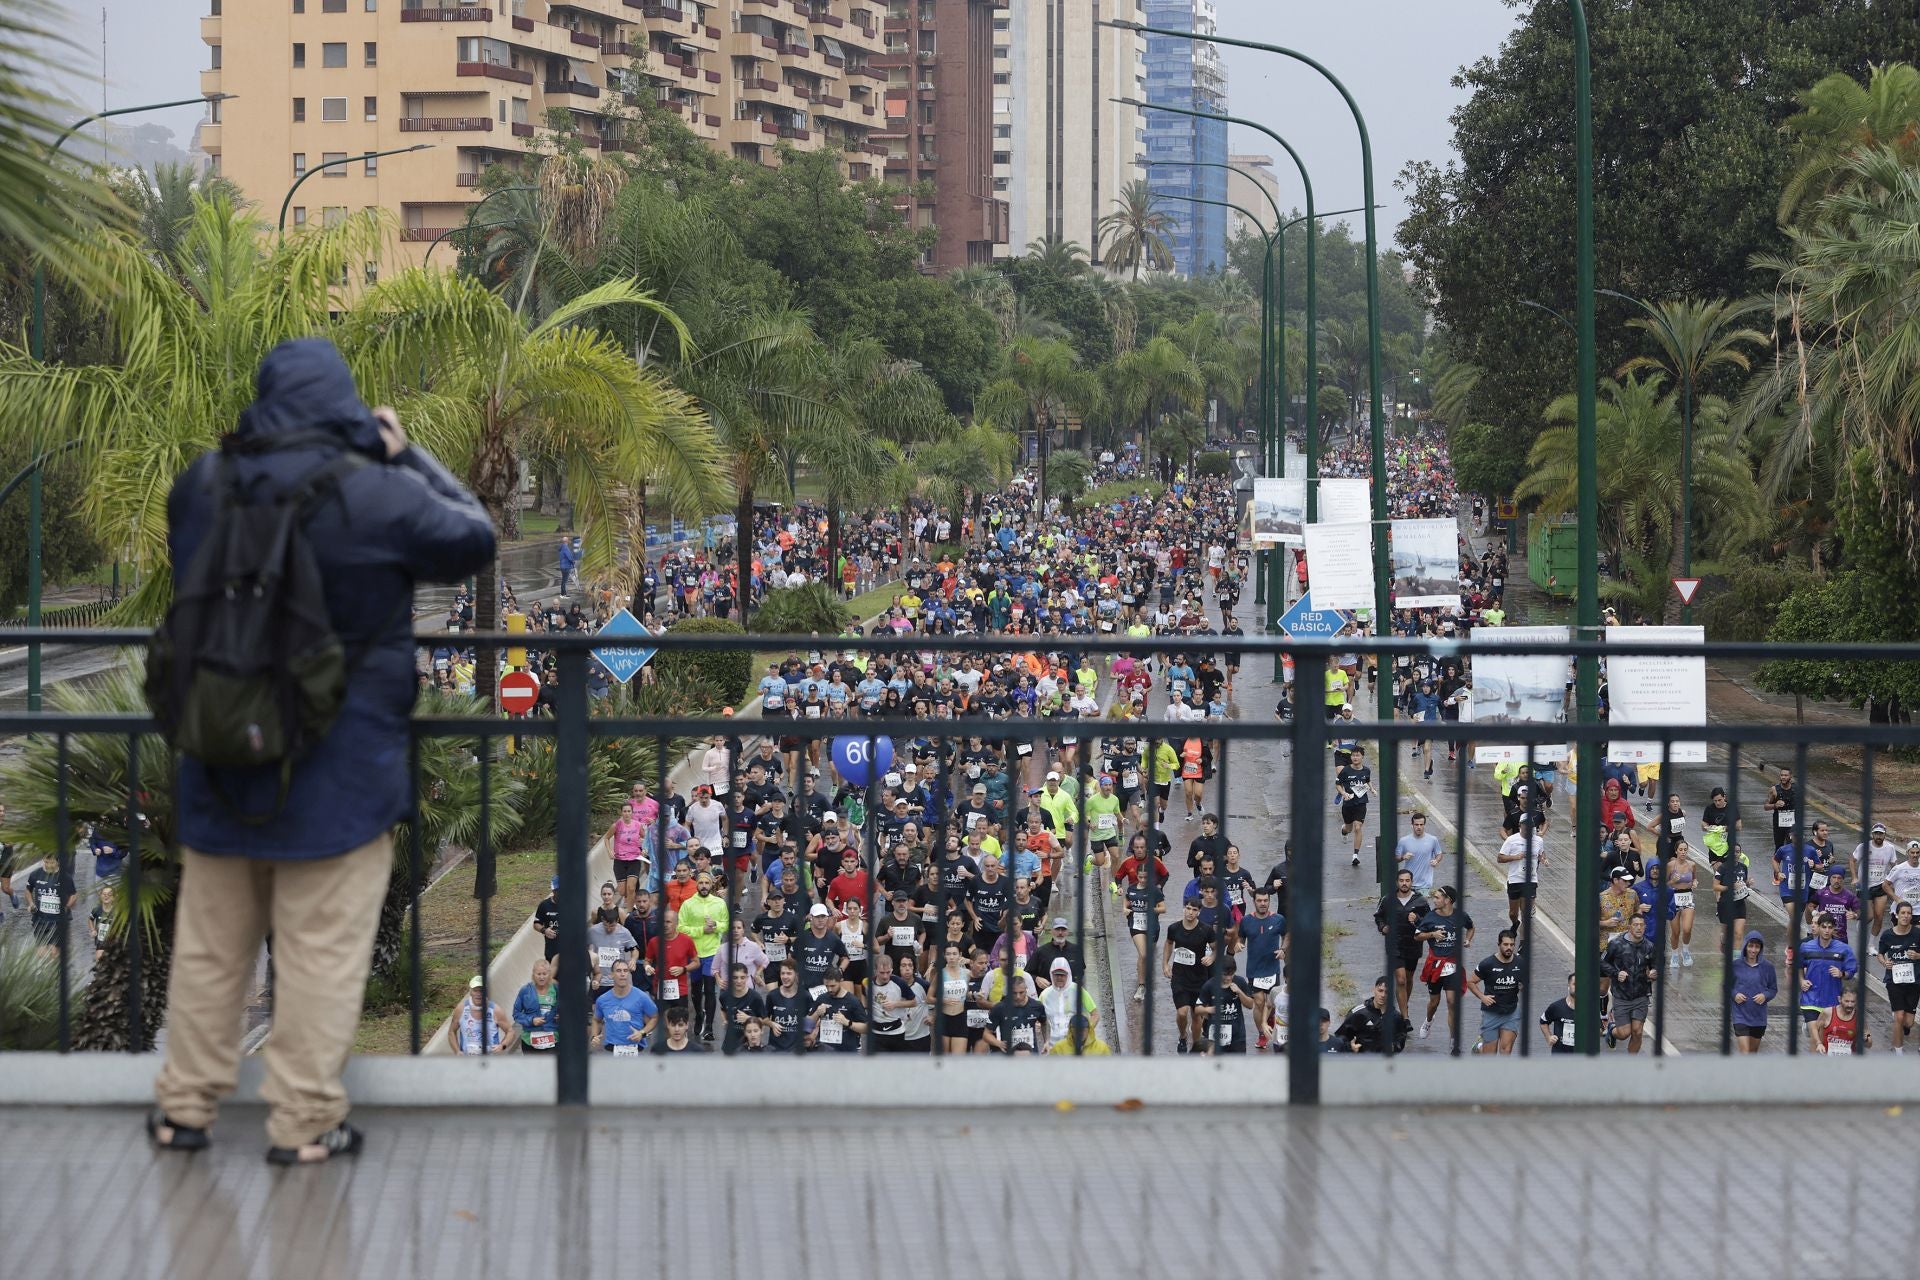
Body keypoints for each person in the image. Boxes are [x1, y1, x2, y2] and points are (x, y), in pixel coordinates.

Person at [146, 343, 495, 1163]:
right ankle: (302, 1124)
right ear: (344, 406)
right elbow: (474, 537)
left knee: (208, 951)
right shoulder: (378, 495)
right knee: (320, 953)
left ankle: (183, 1110)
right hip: (341, 772)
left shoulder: (203, 484)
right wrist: (408, 454)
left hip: (222, 753)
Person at [1413, 885, 1473, 1046]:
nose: (1434, 900)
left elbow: (1471, 927)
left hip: (1452, 963)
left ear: (1448, 900)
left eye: (1438, 897)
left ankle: (1453, 1038)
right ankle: (1428, 1020)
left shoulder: (1460, 916)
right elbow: (1417, 936)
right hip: (1435, 964)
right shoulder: (1430, 917)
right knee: (1434, 1002)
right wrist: (1432, 934)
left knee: (1452, 1002)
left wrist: (1468, 939)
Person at [676, 870, 729, 1042]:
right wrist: (701, 930)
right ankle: (699, 1014)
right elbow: (680, 928)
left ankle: (709, 1028)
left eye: (707, 883)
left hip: (713, 952)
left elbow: (726, 924)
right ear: (696, 885)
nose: (704, 886)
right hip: (694, 955)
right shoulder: (688, 904)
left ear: (712, 884)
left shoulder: (719, 903)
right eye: (701, 883)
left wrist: (716, 926)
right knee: (697, 991)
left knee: (710, 991)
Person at [1796, 911, 1858, 1053]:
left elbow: (1852, 970)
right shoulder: (1806, 947)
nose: (1826, 930)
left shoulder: (1843, 949)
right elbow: (1798, 965)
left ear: (1834, 929)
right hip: (1810, 999)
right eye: (1823, 927)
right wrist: (1801, 980)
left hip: (1832, 1000)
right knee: (1816, 1037)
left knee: (1824, 1038)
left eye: (1830, 927)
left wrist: (1841, 974)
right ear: (1818, 927)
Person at [1372, 869, 1429, 1019]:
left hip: (1413, 945)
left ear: (1412, 882)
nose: (1404, 883)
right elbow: (1379, 917)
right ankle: (1405, 1017)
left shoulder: (1421, 901)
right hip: (1394, 945)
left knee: (1408, 980)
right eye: (1401, 881)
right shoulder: (1388, 899)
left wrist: (1416, 918)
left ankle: (1404, 1004)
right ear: (1397, 882)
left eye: (1407, 880)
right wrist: (1383, 927)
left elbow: (1429, 922)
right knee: (1401, 979)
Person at [1602, 914, 1659, 1053]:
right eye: (1635, 925)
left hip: (1641, 996)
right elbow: (1602, 962)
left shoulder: (1649, 946)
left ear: (1645, 927)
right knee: (1624, 1033)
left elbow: (1655, 966)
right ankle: (1612, 1030)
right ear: (1629, 927)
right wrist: (1616, 973)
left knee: (1637, 1031)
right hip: (1621, 996)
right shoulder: (1616, 944)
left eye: (1641, 925)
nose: (1639, 928)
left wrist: (1654, 973)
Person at [1466, 930, 1524, 1054]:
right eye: (1506, 944)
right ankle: (1480, 1047)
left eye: (1512, 945)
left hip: (1511, 1013)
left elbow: (1524, 982)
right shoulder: (1487, 964)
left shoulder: (1520, 963)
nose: (1509, 948)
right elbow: (1470, 982)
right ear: (1499, 944)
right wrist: (1482, 997)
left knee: (1505, 1051)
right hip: (1491, 1013)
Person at [1876, 901, 1920, 1053]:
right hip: (1894, 981)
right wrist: (1884, 962)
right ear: (1896, 915)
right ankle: (1898, 1051)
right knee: (1899, 1016)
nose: (1906, 916)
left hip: (1914, 981)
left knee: (1908, 1022)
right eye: (1903, 913)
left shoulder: (1917, 933)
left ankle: (1905, 1028)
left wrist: (1918, 956)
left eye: (1909, 913)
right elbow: (1880, 954)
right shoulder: (1888, 935)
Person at [592, 959, 659, 1055]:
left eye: (625, 971)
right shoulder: (602, 1000)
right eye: (618, 971)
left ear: (629, 974)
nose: (622, 974)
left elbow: (655, 1017)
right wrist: (594, 1037)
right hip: (611, 1049)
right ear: (612, 975)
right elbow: (596, 1020)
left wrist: (642, 1033)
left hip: (636, 1048)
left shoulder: (641, 996)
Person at [1335, 976, 1411, 1054]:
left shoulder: (1396, 1017)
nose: (1383, 995)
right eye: (1380, 990)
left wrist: (1394, 1047)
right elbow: (1340, 1037)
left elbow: (1401, 1039)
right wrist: (1350, 1047)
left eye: (1387, 992)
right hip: (1362, 1061)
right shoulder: (1359, 1013)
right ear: (1374, 990)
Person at [1729, 931, 1776, 1054]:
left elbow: (1773, 989)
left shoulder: (1768, 967)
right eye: (1750, 946)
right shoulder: (1735, 965)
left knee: (1752, 1053)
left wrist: (1764, 996)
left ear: (1761, 949)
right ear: (1745, 946)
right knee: (1745, 1052)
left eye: (1757, 947)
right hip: (1740, 1016)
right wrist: (1735, 995)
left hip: (1758, 1018)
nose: (1753, 950)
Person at [23, 849, 75, 953]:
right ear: (43, 860)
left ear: (57, 862)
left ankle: (57, 968)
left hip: (58, 921)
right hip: (40, 920)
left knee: (53, 952)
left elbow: (73, 895)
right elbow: (28, 891)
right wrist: (31, 903)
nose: (49, 865)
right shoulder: (35, 874)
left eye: (52, 862)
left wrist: (66, 907)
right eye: (46, 862)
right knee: (41, 953)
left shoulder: (65, 877)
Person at [450, 976, 513, 1056]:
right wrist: (457, 1051)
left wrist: (502, 1046)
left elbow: (510, 1032)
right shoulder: (461, 1009)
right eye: (475, 990)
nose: (478, 994)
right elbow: (451, 1031)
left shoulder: (495, 1010)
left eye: (481, 991)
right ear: (470, 992)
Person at [1335, 744, 1372, 868]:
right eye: (1353, 755)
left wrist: (1372, 789)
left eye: (1357, 756)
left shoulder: (1366, 770)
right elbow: (1338, 784)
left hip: (1361, 803)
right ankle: (1343, 831)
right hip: (1348, 804)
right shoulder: (1345, 770)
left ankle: (1355, 855)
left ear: (1362, 757)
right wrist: (1343, 793)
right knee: (1349, 828)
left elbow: (1367, 781)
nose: (1355, 758)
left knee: (1358, 827)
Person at [512, 959, 559, 1054]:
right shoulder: (525, 991)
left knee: (550, 1068)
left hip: (553, 1039)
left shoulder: (556, 989)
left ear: (549, 974)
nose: (541, 977)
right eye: (539, 974)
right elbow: (516, 1014)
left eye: (544, 974)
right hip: (529, 1040)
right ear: (533, 974)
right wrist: (531, 1020)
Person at [1396, 811, 1444, 894]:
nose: (1419, 827)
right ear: (1412, 825)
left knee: (1422, 905)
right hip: (1408, 883)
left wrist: (1436, 860)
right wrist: (1403, 857)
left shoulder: (1432, 840)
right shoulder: (1403, 841)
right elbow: (1395, 858)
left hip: (1425, 884)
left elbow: (1439, 854)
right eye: (1416, 824)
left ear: (1424, 825)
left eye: (1421, 825)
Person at [1813, 990, 1867, 1056]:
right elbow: (1814, 1028)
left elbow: (1869, 1043)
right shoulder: (1827, 1012)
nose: (1849, 1005)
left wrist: (1866, 1038)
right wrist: (1819, 1043)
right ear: (1839, 999)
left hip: (1848, 1061)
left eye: (1852, 1002)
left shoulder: (1859, 1017)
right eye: (1846, 1001)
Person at [1539, 973, 1580, 1054]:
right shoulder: (1556, 1006)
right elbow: (1543, 1021)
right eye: (1575, 984)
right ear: (1569, 985)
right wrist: (1549, 1037)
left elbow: (1599, 1029)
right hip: (1560, 1055)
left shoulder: (1590, 1008)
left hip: (1582, 1055)